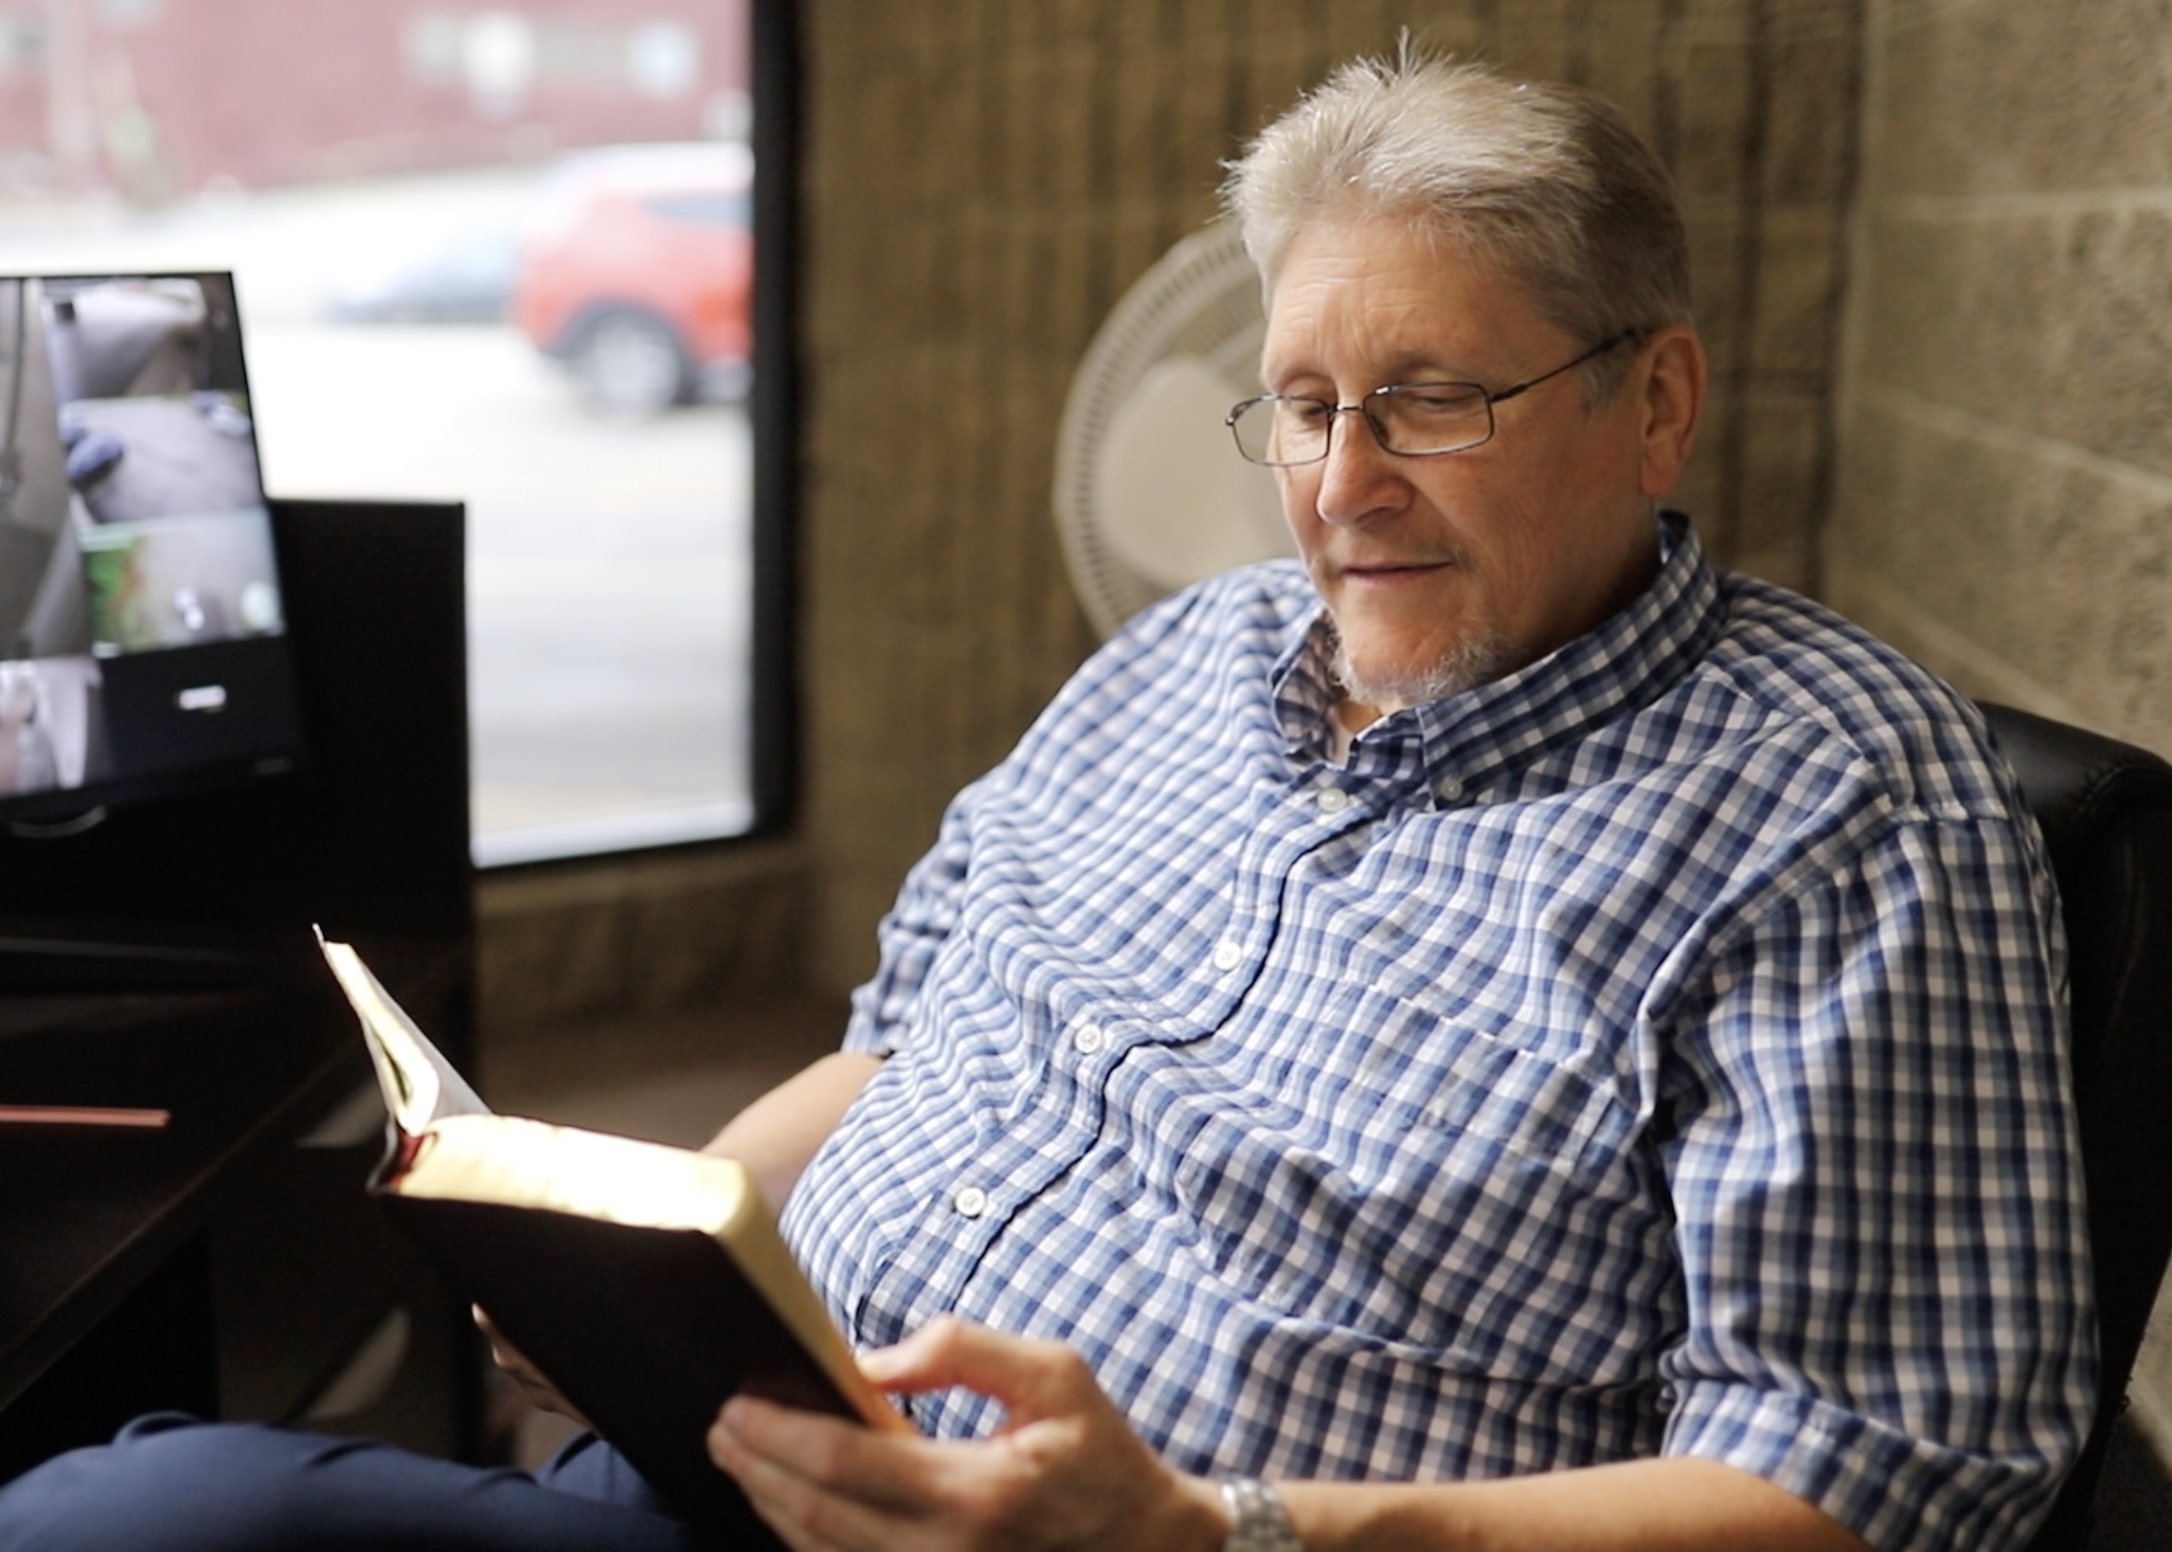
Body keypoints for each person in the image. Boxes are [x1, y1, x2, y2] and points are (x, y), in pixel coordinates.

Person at [0, 49, 2094, 1552]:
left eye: (1433, 400)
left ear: (1658, 401)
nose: (1341, 485)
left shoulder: (1837, 808)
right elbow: (905, 1037)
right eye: (1297, 402)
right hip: (745, 1457)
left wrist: (1210, 1530)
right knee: (117, 1497)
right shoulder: (1174, 662)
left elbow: (1876, 1470)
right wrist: (632, 1261)